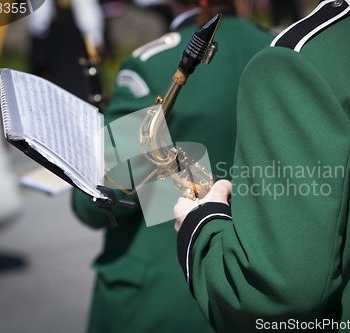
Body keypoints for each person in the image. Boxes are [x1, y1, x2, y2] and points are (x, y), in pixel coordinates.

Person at [174, 0, 350, 331]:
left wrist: (197, 226)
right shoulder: (270, 39)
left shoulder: (146, 64)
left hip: (192, 285)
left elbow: (115, 195)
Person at [72, 0, 273, 331]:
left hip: (162, 299)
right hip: (255, 292)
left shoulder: (152, 64)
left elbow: (97, 203)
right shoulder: (286, 48)